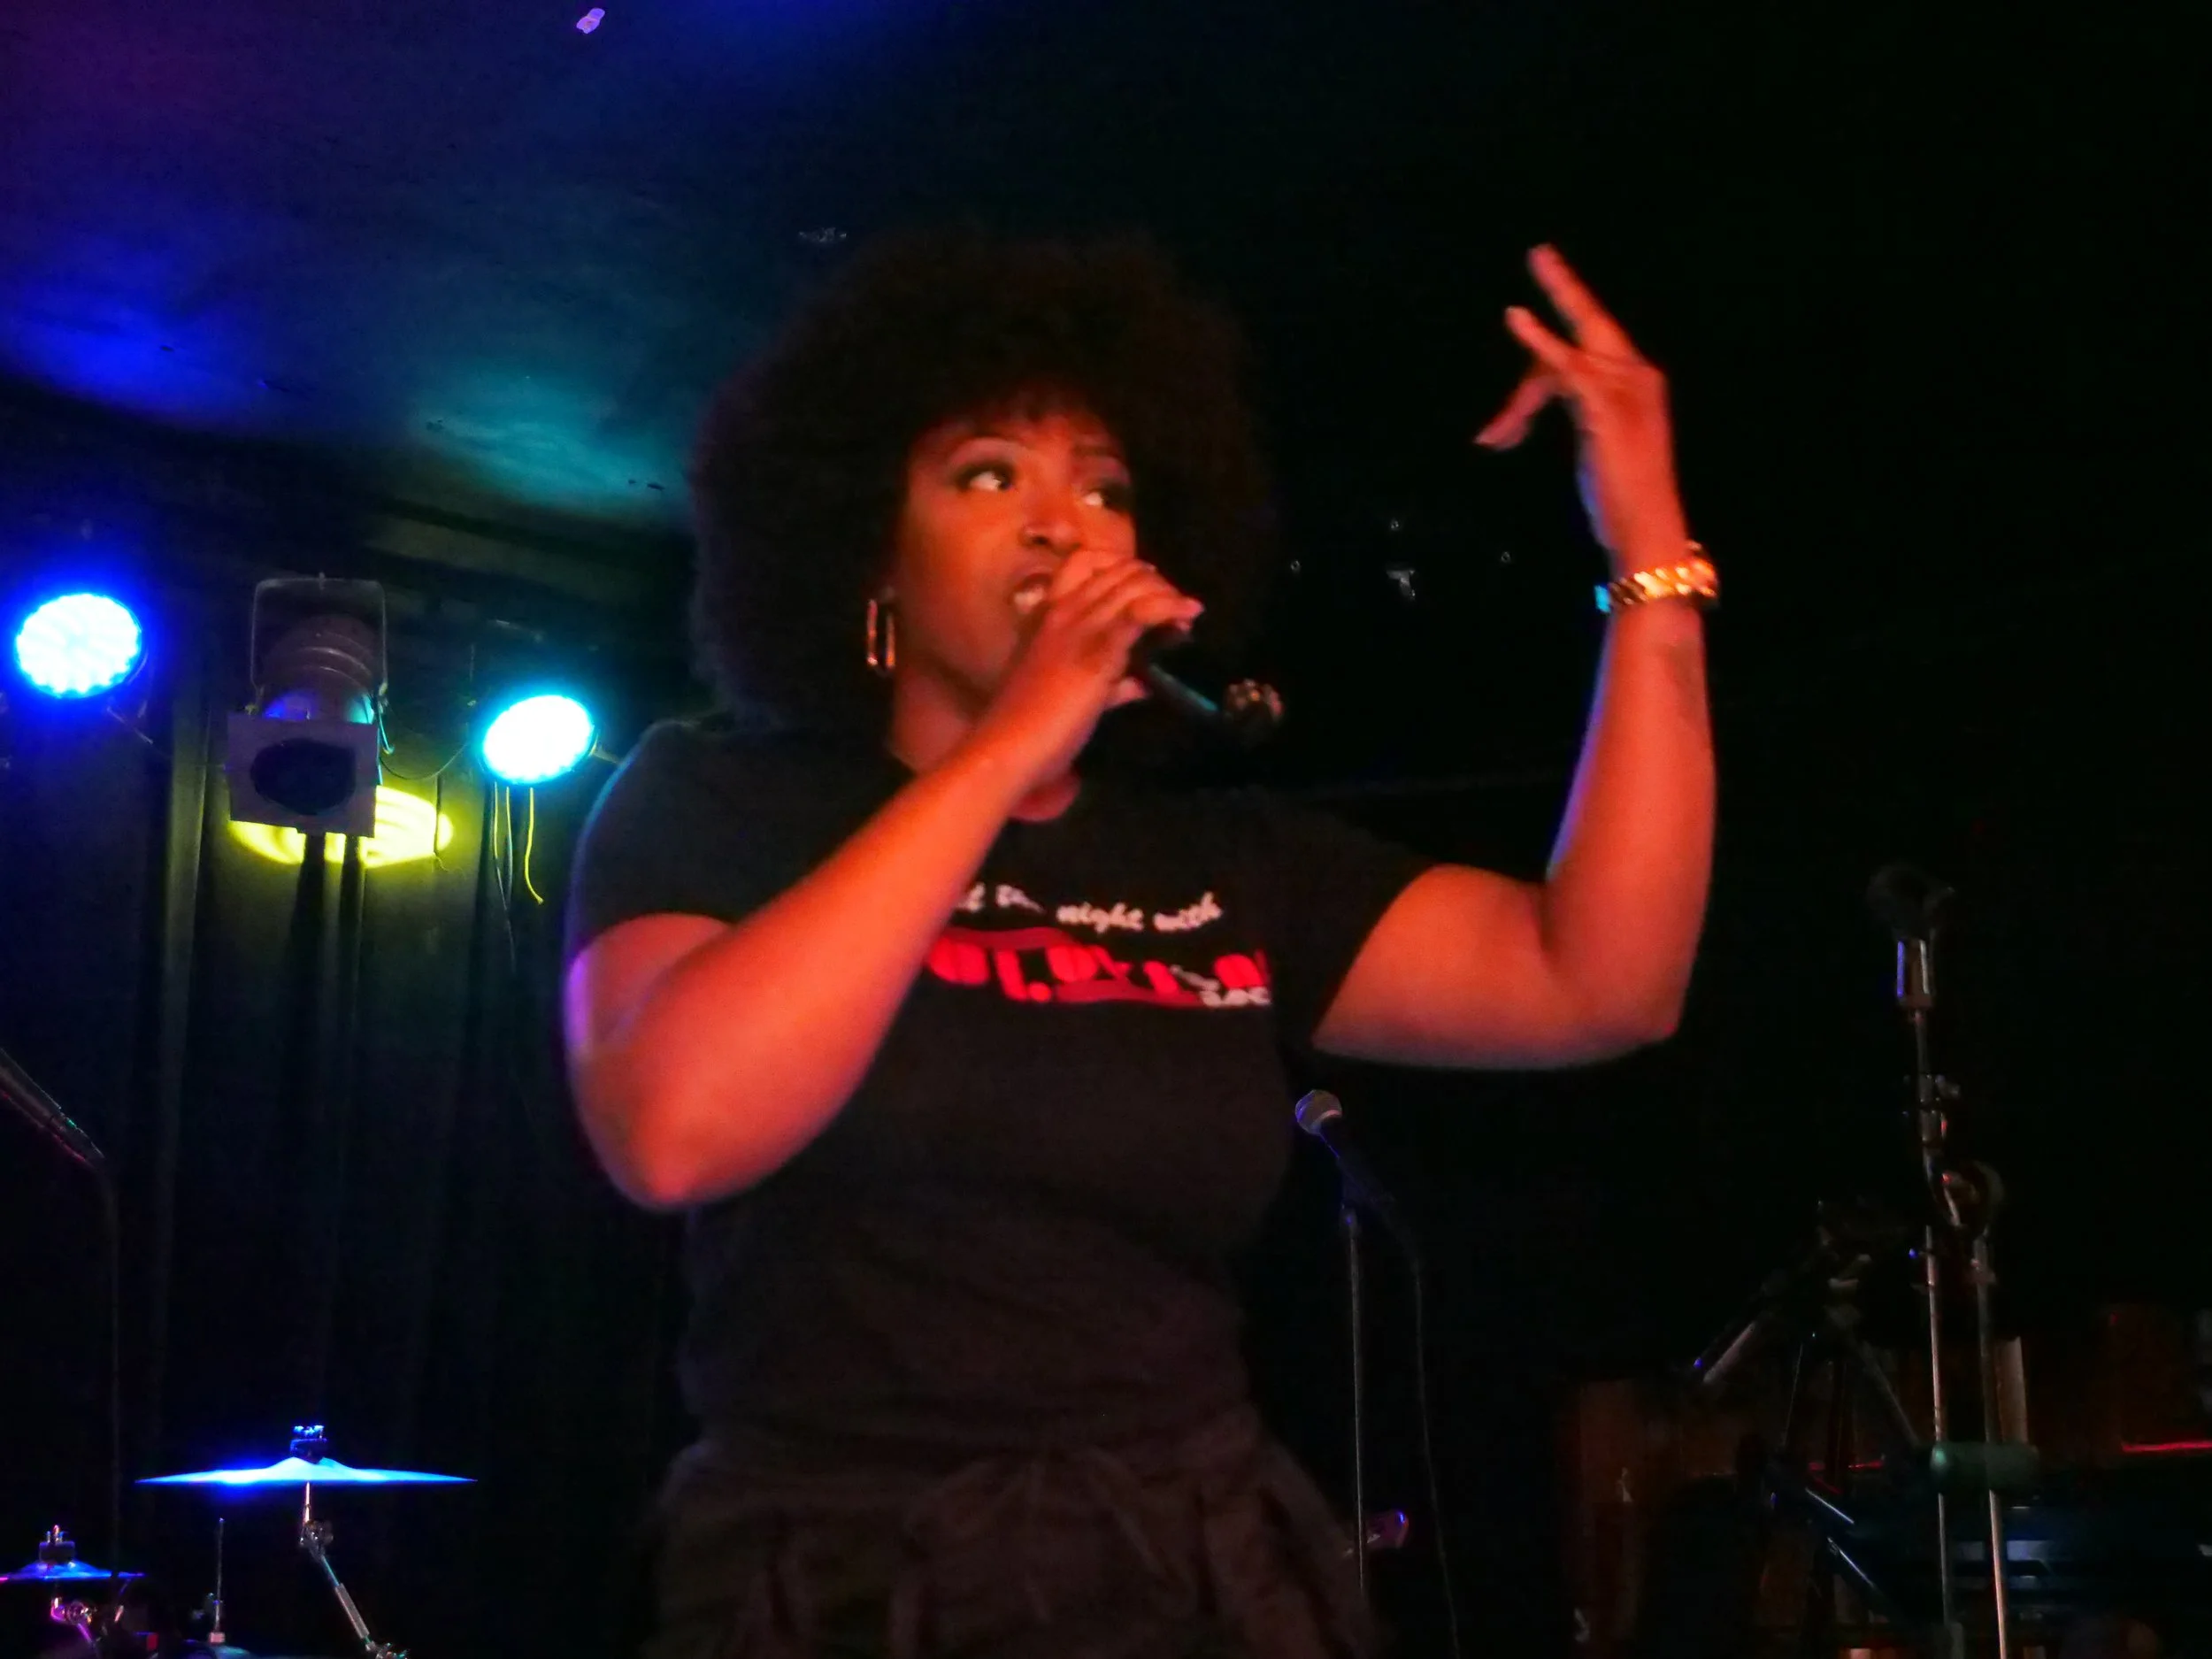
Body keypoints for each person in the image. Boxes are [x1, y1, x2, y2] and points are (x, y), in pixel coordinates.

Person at [563, 229, 1715, 1658]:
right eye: (989, 475)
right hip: (849, 1572)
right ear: (869, 549)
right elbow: (672, 1127)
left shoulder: (1219, 861)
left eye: (1101, 487)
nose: (1063, 525)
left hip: (1191, 1566)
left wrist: (1650, 551)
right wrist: (999, 759)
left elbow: (1602, 977)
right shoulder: (718, 797)